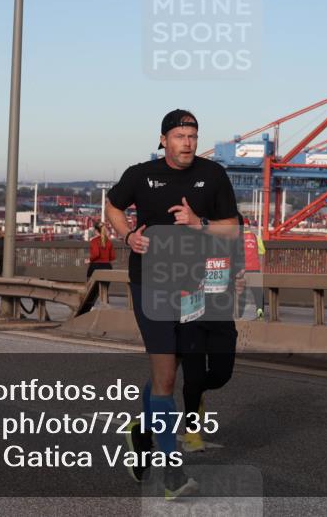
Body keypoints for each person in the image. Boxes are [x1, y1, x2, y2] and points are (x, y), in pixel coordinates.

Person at [106, 109, 239, 499]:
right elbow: (113, 207)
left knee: (173, 367)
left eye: (193, 136)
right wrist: (128, 236)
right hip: (151, 284)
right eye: (180, 136)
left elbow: (232, 230)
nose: (188, 143)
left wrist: (199, 223)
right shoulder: (140, 174)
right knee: (166, 378)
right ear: (164, 140)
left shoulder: (213, 175)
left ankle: (141, 432)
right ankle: (171, 474)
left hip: (194, 286)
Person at [177, 216, 245, 453]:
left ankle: (197, 393)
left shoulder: (233, 219)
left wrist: (239, 277)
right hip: (190, 309)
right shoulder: (186, 219)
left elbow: (238, 254)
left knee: (222, 374)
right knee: (193, 377)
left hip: (221, 312)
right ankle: (192, 432)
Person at [239, 217, 266, 319]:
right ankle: (260, 311)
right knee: (258, 292)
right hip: (255, 269)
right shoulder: (256, 237)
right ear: (249, 226)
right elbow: (262, 252)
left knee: (241, 293)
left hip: (241, 271)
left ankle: (239, 314)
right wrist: (261, 269)